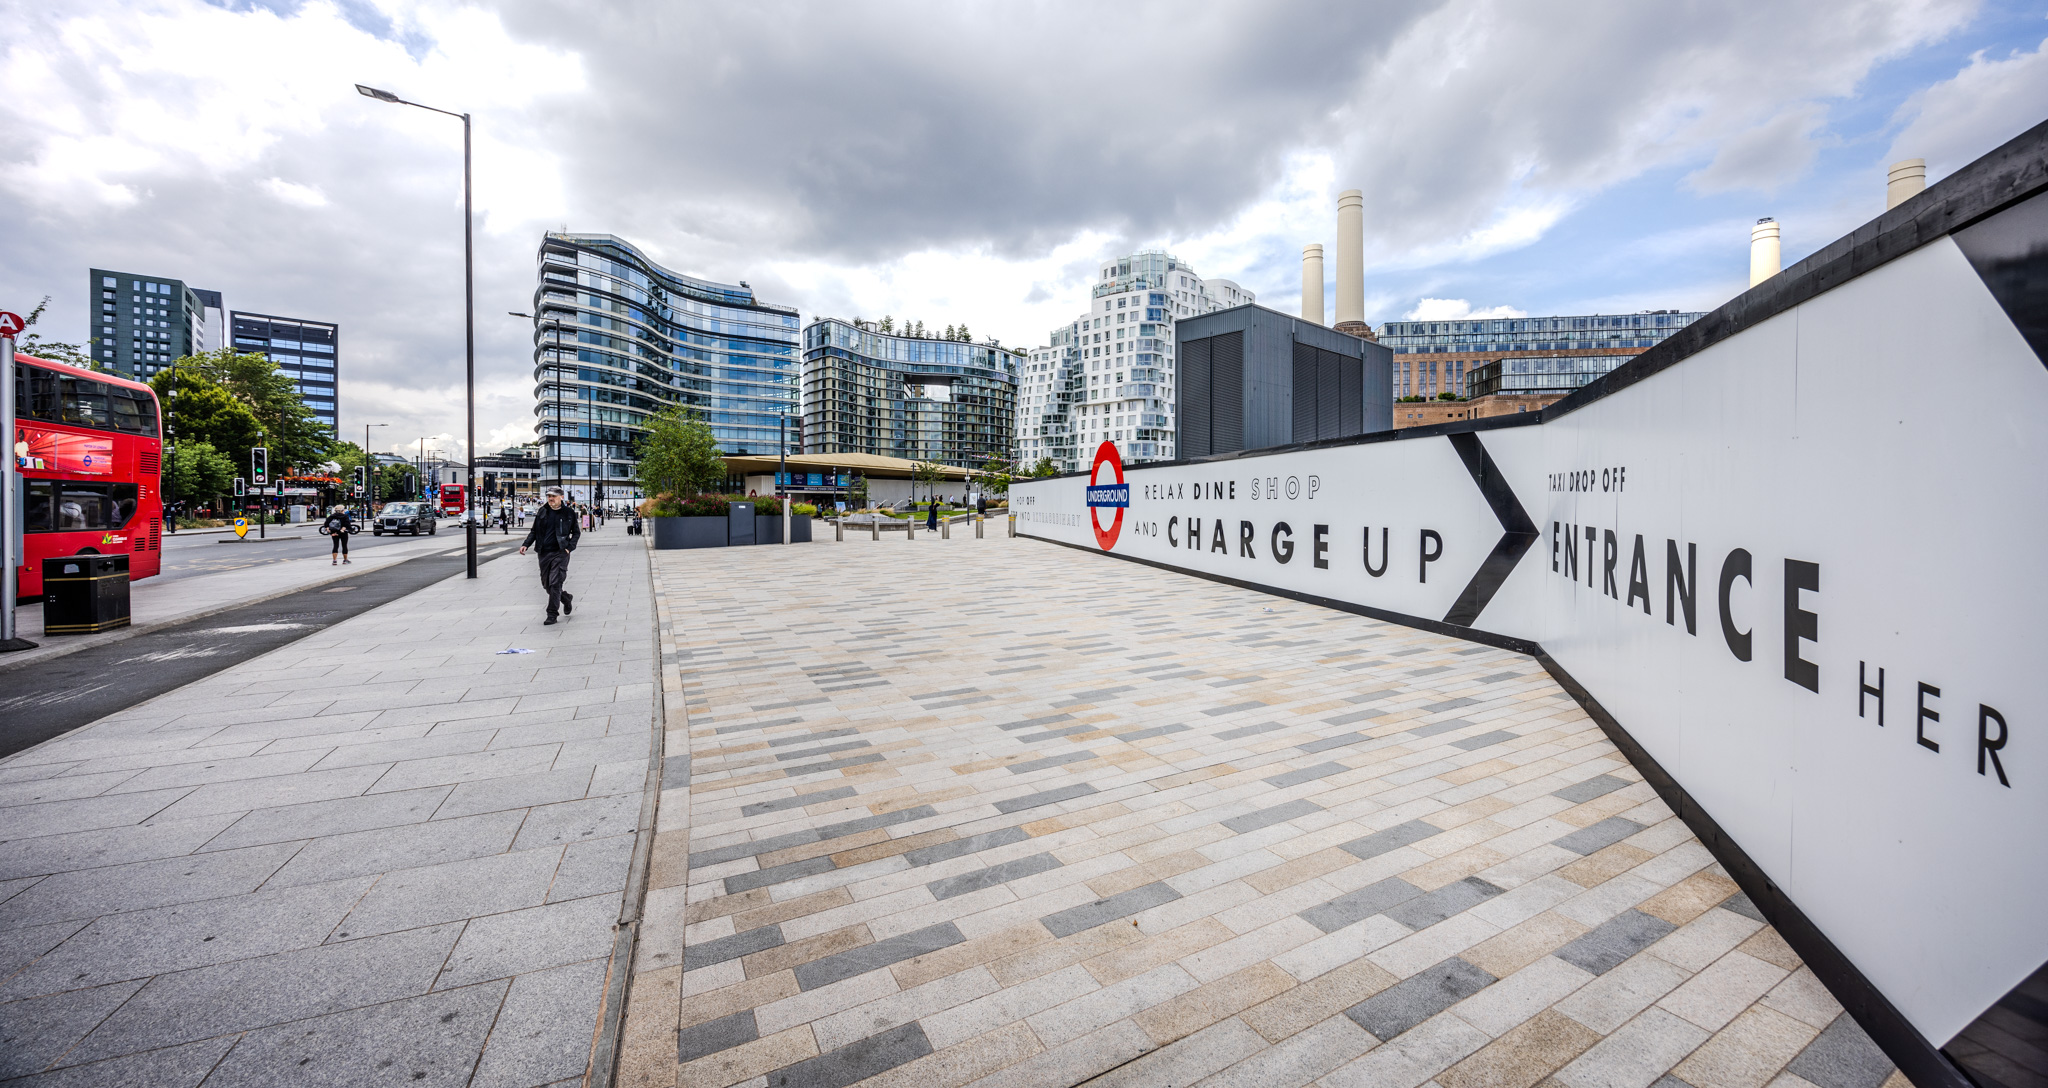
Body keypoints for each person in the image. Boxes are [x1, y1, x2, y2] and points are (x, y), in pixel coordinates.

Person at [520, 487, 581, 625]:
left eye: (553, 496)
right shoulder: (542, 511)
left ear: (561, 497)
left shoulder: (568, 513)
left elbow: (576, 533)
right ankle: (566, 598)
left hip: (560, 552)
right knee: (547, 585)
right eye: (549, 496)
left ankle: (552, 614)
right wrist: (526, 544)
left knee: (555, 583)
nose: (551, 499)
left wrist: (569, 548)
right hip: (543, 552)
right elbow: (534, 531)